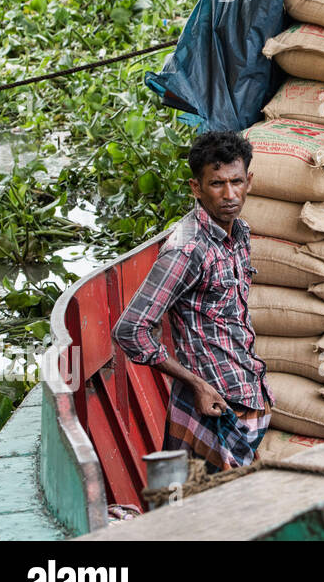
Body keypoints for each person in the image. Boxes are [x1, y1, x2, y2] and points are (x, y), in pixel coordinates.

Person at [113, 130, 272, 471]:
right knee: (204, 510)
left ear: (250, 181)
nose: (230, 194)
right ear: (196, 188)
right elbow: (131, 329)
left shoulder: (239, 233)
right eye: (217, 184)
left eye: (237, 181)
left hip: (247, 392)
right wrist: (196, 384)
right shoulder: (187, 249)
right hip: (213, 402)